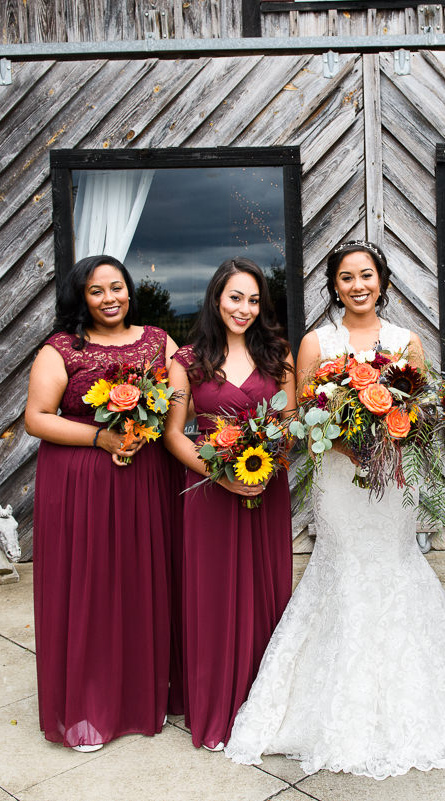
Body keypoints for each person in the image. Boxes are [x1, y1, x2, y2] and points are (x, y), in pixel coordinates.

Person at [225, 240, 445, 779]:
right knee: (343, 567)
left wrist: (392, 430)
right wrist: (346, 442)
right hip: (339, 479)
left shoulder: (408, 341)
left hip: (393, 480)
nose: (358, 285)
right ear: (334, 286)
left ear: (382, 282)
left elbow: (425, 413)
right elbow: (306, 417)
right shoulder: (316, 342)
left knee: (396, 563)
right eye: (346, 277)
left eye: (367, 276)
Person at [24, 254, 181, 752]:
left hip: (148, 481)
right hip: (84, 485)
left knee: (145, 582)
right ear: (81, 297)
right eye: (97, 291)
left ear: (130, 291)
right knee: (93, 588)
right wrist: (101, 439)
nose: (110, 298)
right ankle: (89, 707)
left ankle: (143, 694)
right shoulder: (61, 349)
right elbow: (37, 418)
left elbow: (185, 398)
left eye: (117, 287)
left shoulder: (158, 342)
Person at [163, 257, 296, 752]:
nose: (244, 308)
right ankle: (218, 706)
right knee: (214, 596)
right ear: (217, 298)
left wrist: (264, 468)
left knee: (266, 592)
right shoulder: (188, 361)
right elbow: (174, 435)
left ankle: (264, 706)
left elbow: (289, 424)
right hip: (211, 491)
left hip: (266, 487)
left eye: (254, 299)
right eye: (235, 297)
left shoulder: (278, 354)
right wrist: (221, 475)